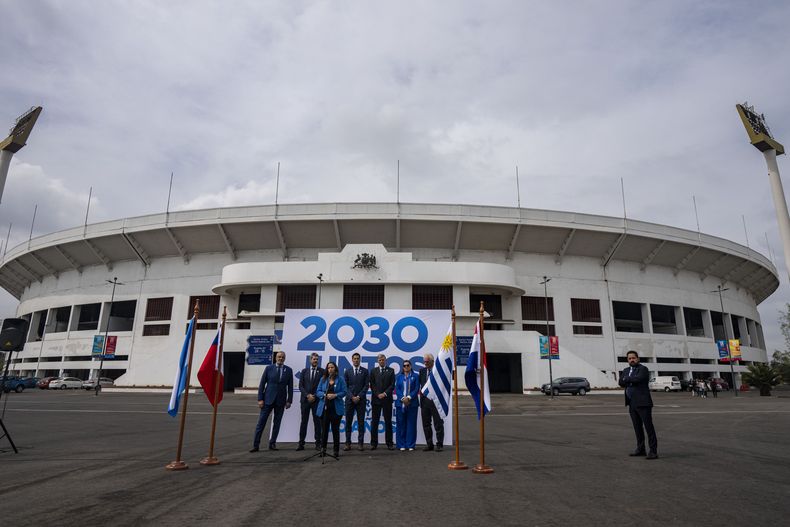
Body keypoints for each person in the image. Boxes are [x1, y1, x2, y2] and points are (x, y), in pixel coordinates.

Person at [250, 351, 293, 452]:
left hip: (281, 401)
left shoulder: (289, 370)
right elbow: (262, 384)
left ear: (284, 359)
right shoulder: (269, 368)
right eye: (279, 357)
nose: (280, 358)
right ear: (275, 358)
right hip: (267, 400)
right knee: (261, 423)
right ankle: (256, 445)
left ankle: (272, 443)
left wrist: (289, 401)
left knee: (277, 423)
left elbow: (290, 387)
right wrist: (260, 399)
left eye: (282, 357)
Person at [618, 350, 658, 460]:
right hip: (632, 403)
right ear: (627, 360)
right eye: (629, 358)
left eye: (633, 358)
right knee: (637, 428)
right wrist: (628, 380)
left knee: (648, 427)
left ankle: (653, 451)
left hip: (643, 403)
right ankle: (641, 449)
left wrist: (627, 379)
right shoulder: (626, 370)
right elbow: (620, 382)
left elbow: (639, 379)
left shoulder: (643, 369)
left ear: (638, 359)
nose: (632, 360)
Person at [316, 361, 347, 458]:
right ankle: (323, 450)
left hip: (336, 409)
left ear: (335, 369)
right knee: (324, 431)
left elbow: (344, 391)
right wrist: (324, 395)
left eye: (332, 367)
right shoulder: (323, 379)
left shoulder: (340, 379)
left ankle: (336, 450)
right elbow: (318, 391)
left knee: (335, 430)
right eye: (328, 368)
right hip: (324, 409)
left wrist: (335, 395)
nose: (330, 369)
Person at [297, 352, 324, 451]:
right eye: (314, 359)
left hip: (317, 401)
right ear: (310, 360)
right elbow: (301, 386)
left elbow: (322, 387)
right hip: (305, 400)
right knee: (304, 422)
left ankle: (318, 443)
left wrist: (315, 396)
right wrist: (308, 395)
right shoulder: (304, 371)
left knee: (317, 422)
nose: (315, 361)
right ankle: (301, 443)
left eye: (317, 359)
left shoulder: (322, 371)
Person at [343, 352, 369, 451]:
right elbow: (345, 386)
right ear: (352, 360)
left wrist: (358, 396)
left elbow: (366, 386)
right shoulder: (347, 371)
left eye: (358, 358)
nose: (356, 360)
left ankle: (360, 443)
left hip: (361, 400)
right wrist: (352, 396)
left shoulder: (365, 371)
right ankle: (347, 443)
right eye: (354, 358)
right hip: (349, 400)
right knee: (348, 422)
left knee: (361, 422)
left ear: (360, 359)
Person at [369, 353, 395, 450]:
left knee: (388, 422)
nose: (381, 361)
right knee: (375, 422)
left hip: (387, 400)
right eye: (380, 360)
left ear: (385, 360)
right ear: (378, 361)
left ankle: (389, 443)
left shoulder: (391, 371)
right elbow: (372, 384)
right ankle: (373, 443)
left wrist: (384, 394)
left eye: (383, 360)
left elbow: (392, 385)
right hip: (376, 400)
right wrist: (377, 394)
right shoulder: (373, 371)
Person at [419, 353, 444, 452]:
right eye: (424, 361)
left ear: (432, 361)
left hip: (436, 401)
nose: (425, 363)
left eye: (427, 362)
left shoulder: (438, 371)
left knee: (438, 424)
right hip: (425, 402)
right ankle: (429, 444)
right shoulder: (422, 371)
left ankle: (439, 444)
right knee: (426, 424)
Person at [395, 359, 419, 451]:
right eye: (404, 366)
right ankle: (401, 444)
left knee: (411, 424)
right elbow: (397, 389)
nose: (406, 367)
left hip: (412, 403)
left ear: (411, 366)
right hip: (400, 404)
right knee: (401, 424)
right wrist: (402, 398)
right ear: (402, 367)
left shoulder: (416, 376)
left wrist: (408, 398)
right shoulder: (399, 377)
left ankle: (410, 445)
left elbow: (416, 388)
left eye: (408, 365)